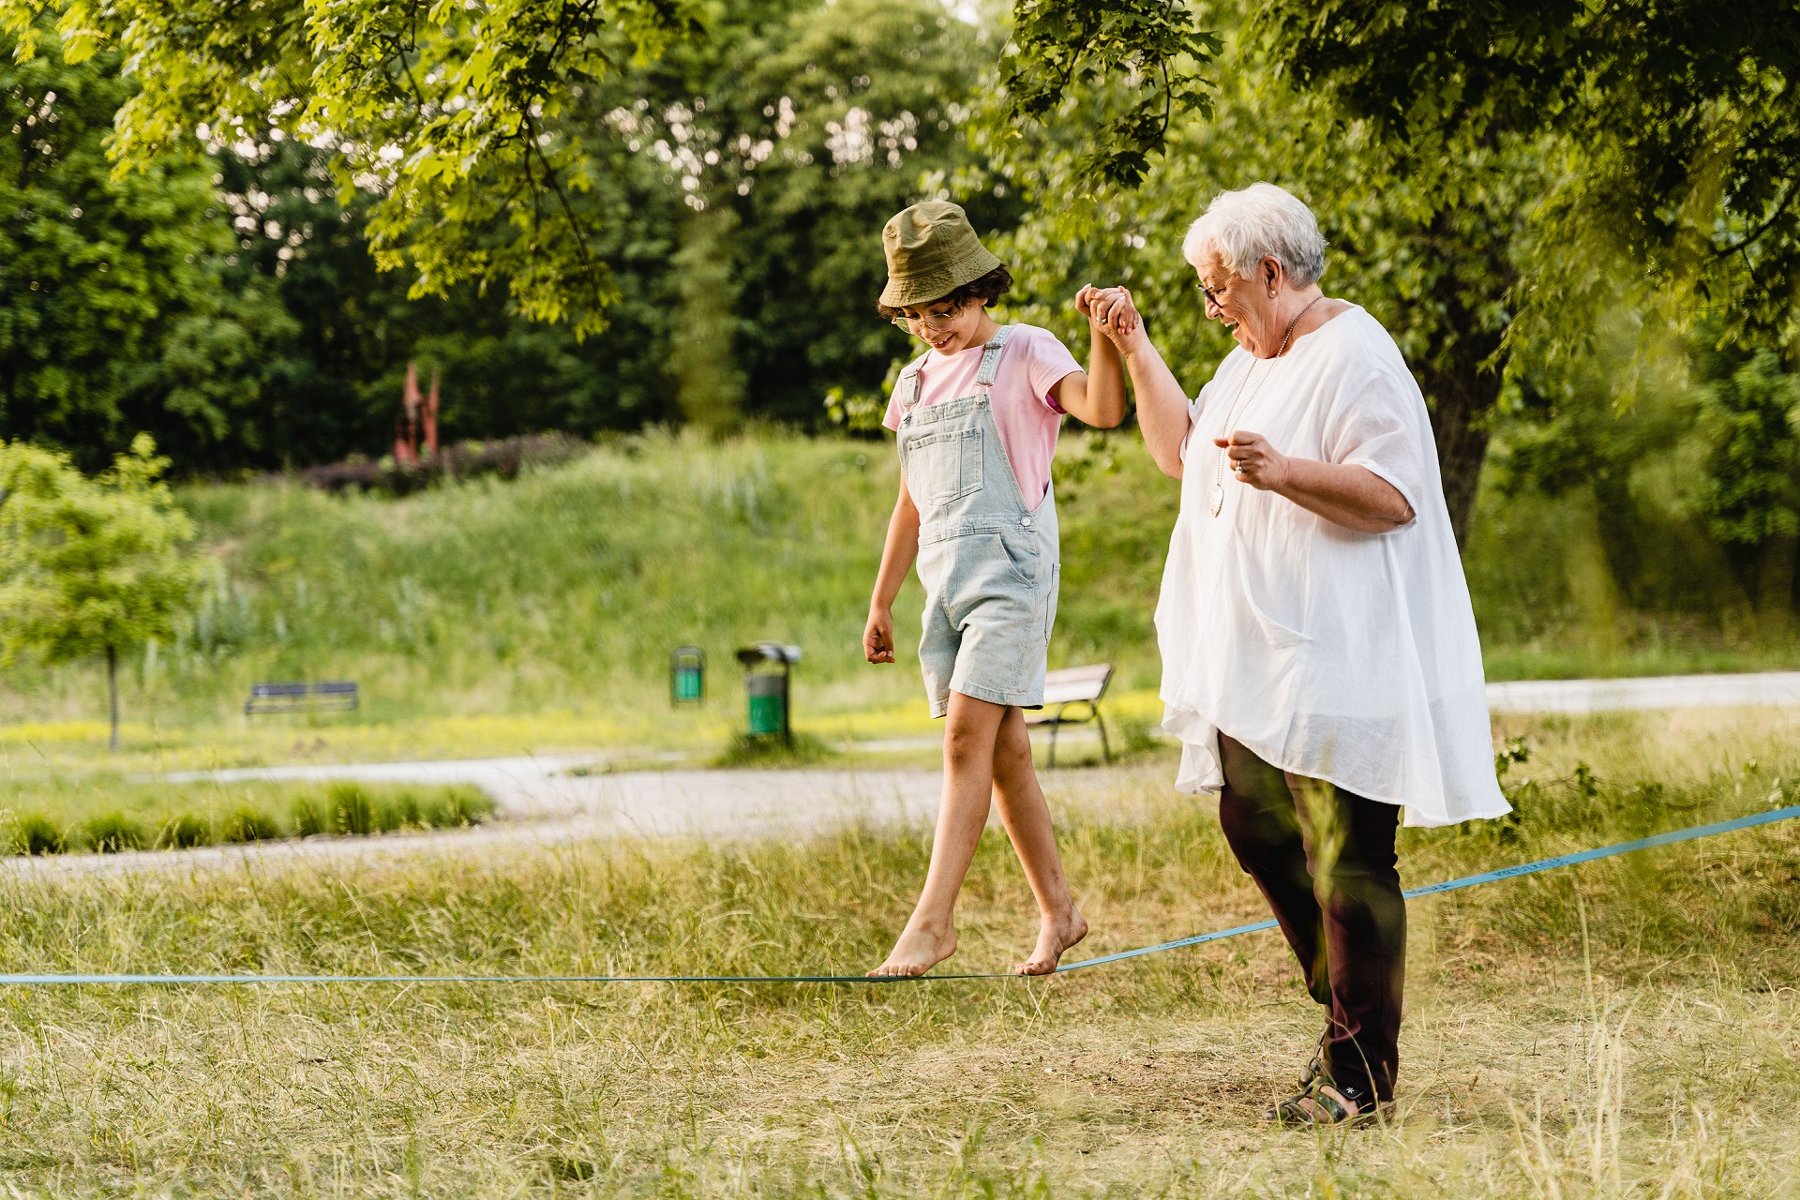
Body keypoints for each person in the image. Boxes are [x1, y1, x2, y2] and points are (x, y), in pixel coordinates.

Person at [1081, 182, 1510, 1124]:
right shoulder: (1249, 362)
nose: (1213, 306)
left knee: (1351, 862)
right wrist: (1135, 344)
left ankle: (1360, 1074)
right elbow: (1180, 451)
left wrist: (1285, 473)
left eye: (1217, 287)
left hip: (1341, 659)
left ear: (1270, 273)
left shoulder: (1357, 353)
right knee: (1254, 823)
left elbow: (1395, 494)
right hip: (1258, 667)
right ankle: (1352, 1002)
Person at [862, 200, 1127, 978]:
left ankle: (931, 923)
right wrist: (881, 599)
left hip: (1011, 575)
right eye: (916, 313)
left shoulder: (1024, 351)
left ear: (981, 291)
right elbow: (910, 501)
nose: (932, 327)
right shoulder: (912, 383)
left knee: (963, 740)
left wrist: (1105, 342)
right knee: (1005, 750)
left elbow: (1103, 410)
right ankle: (1060, 912)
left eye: (945, 308)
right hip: (943, 586)